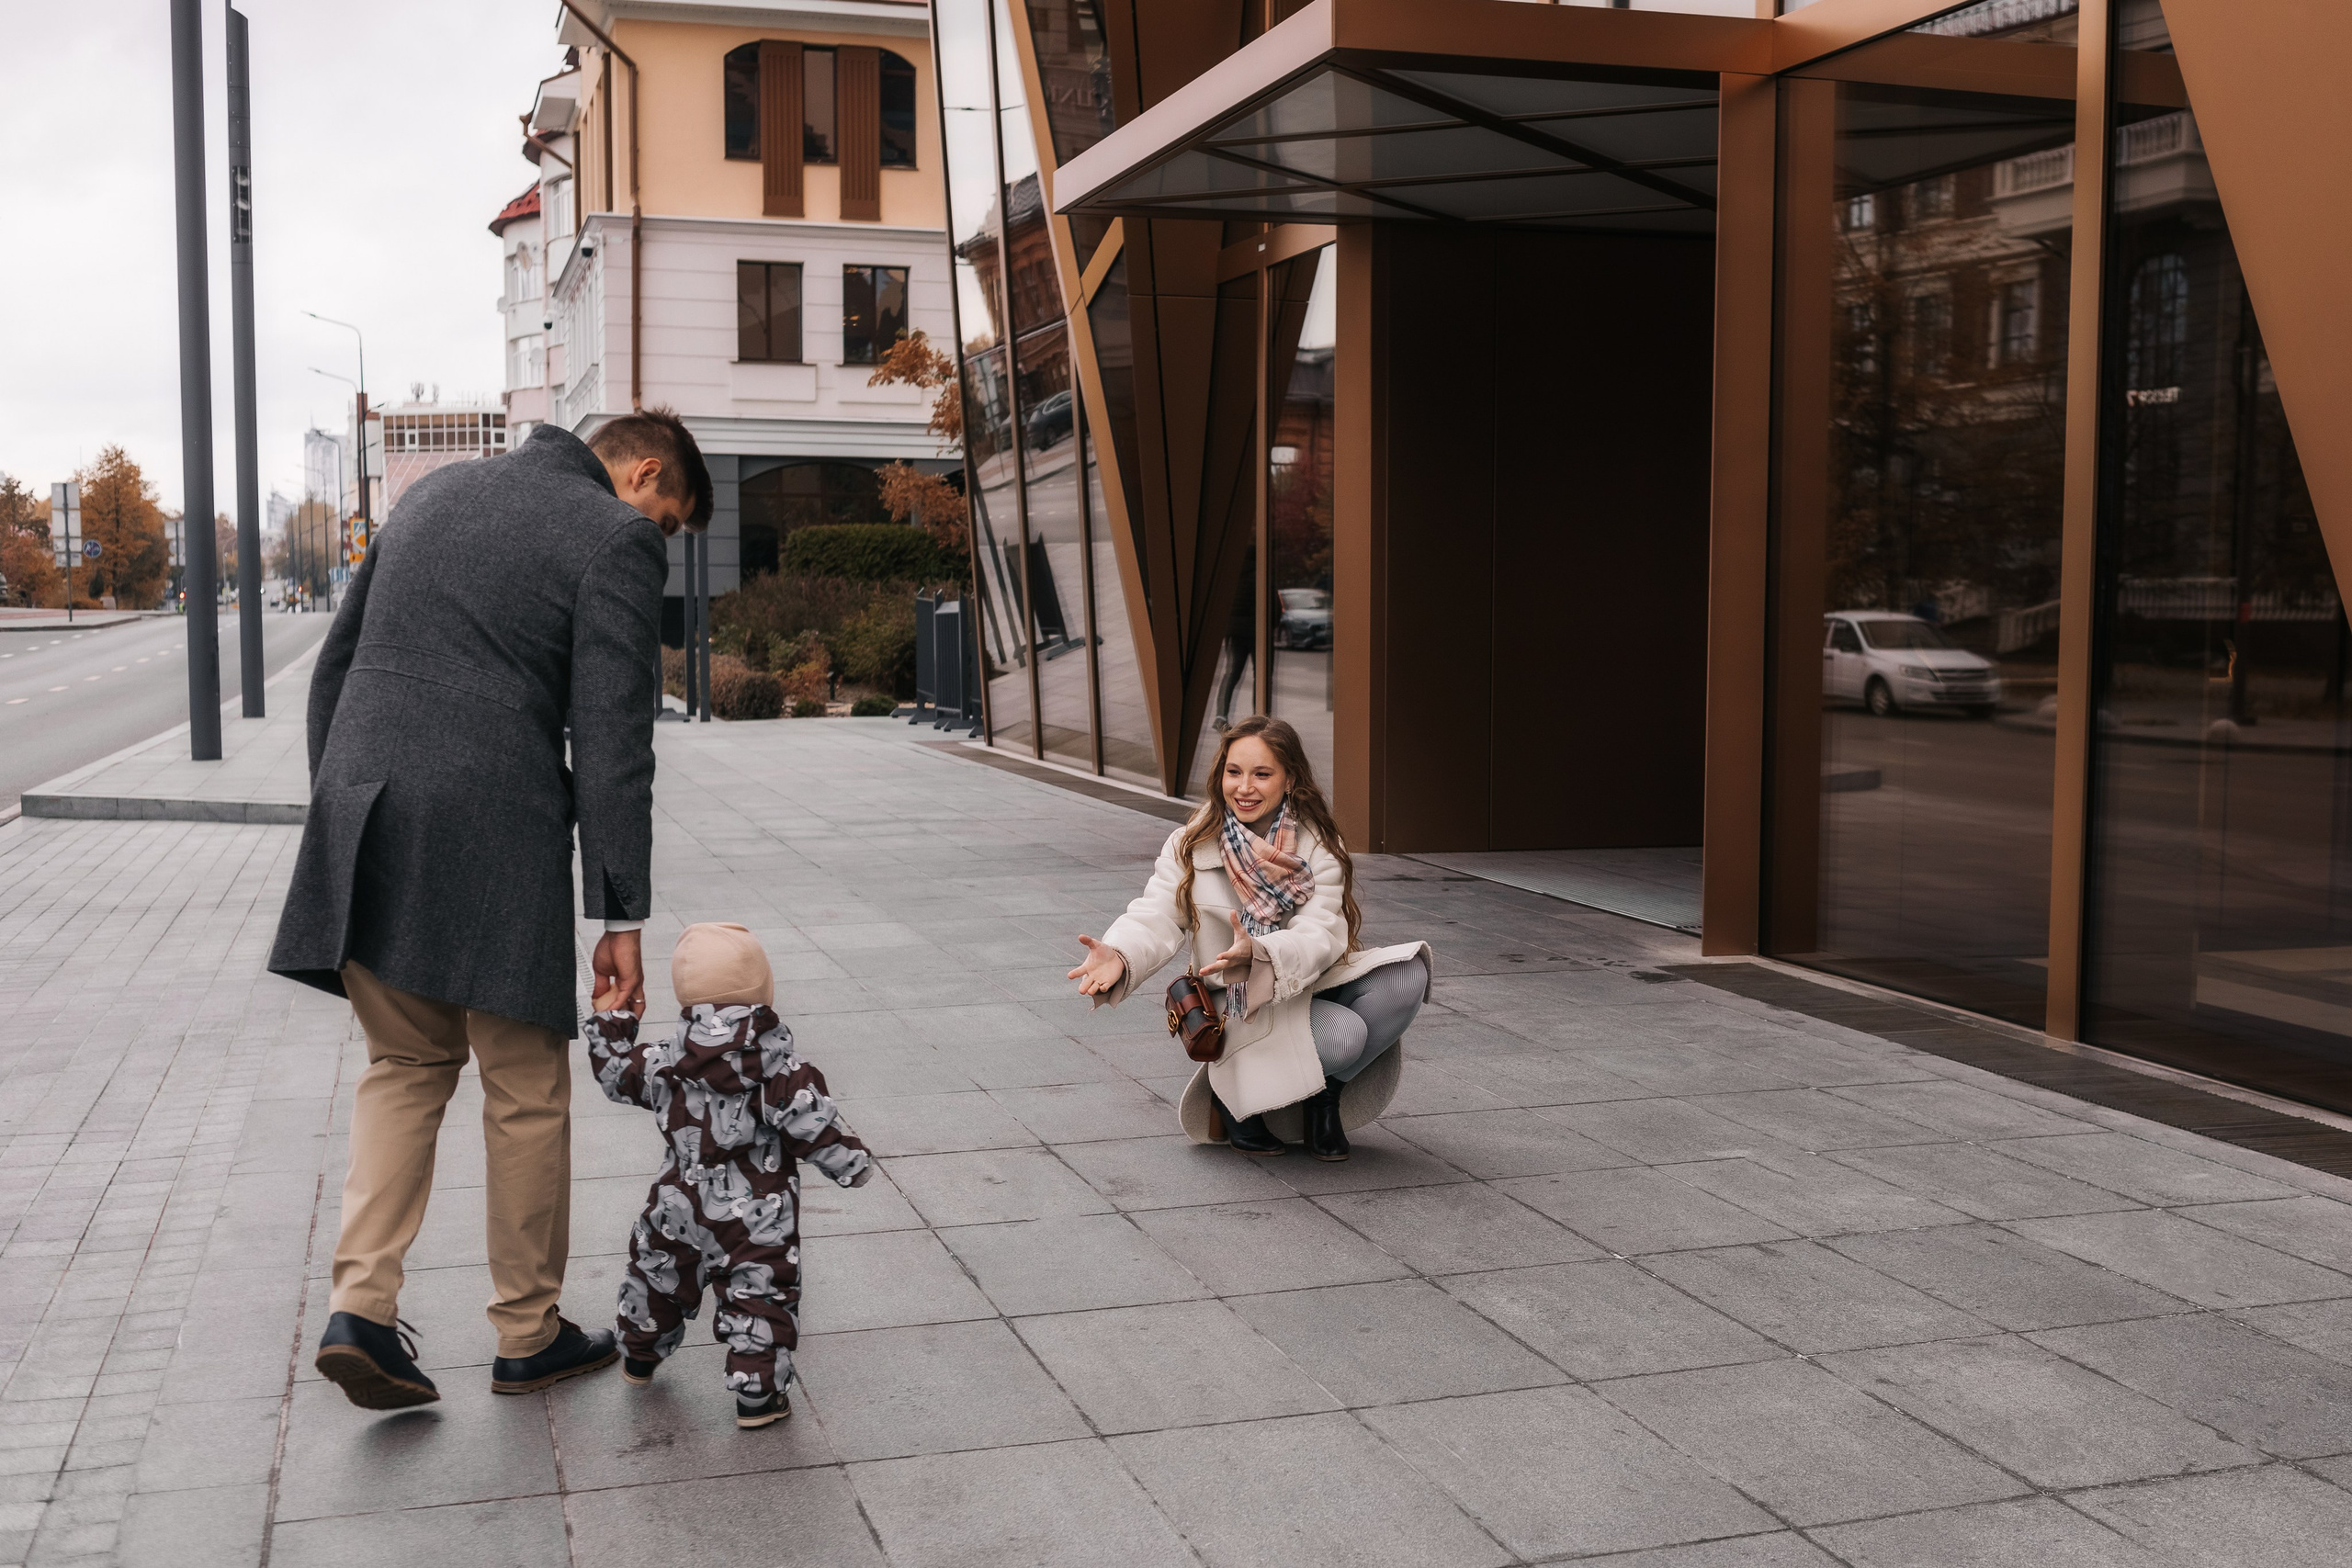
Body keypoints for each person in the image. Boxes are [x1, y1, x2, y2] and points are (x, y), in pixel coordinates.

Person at [270, 410, 712, 1411]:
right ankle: (527, 1333)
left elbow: (334, 669)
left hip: (363, 804)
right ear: (643, 474)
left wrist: (344, 803)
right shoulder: (612, 537)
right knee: (521, 1088)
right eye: (670, 517)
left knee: (404, 1065)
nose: (662, 538)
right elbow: (613, 742)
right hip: (492, 822)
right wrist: (621, 916)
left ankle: (361, 1307)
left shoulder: (431, 495)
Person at [1068, 715, 1430, 1159]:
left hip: (1300, 977)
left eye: (1262, 774)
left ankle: (1323, 1098)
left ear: (1289, 778)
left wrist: (1262, 953)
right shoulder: (1192, 843)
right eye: (1234, 772)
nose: (1244, 788)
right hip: (1238, 1002)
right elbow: (1155, 913)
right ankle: (1234, 1099)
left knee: (1410, 973)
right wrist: (1120, 953)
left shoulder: (1318, 843)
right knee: (1345, 1036)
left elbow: (1320, 931)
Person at [585, 922, 874, 1429]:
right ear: (761, 992)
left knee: (657, 1275)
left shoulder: (663, 1060)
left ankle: (639, 1354)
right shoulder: (780, 1067)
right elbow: (814, 1127)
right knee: (758, 1295)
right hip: (757, 1219)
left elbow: (615, 1075)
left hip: (674, 1203)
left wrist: (613, 1020)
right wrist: (853, 1164)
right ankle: (757, 1397)